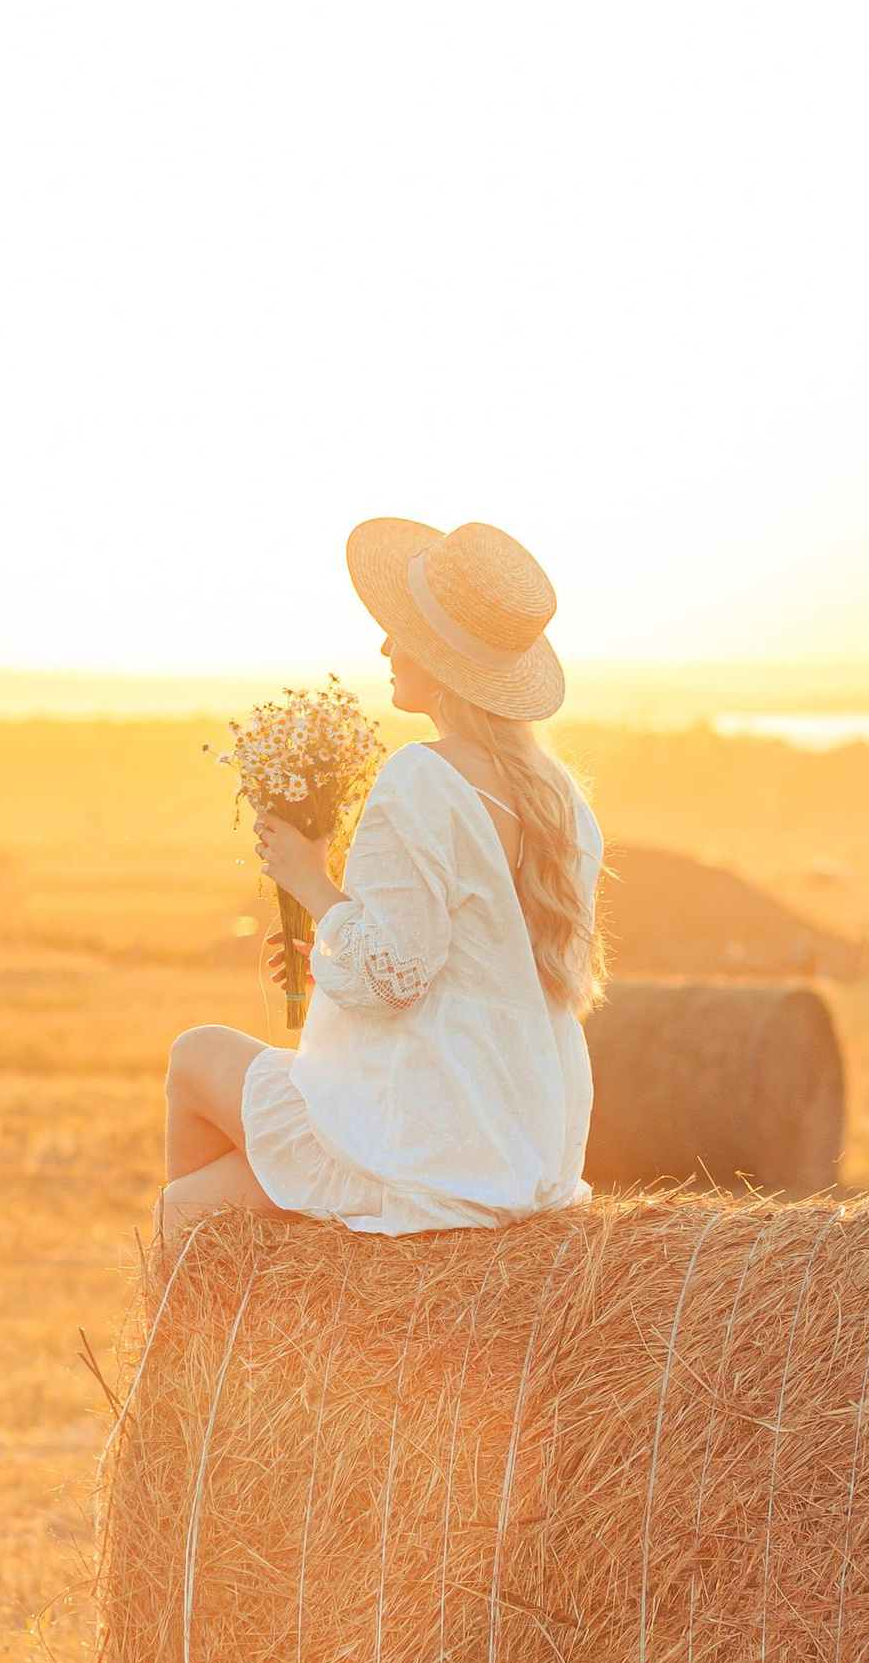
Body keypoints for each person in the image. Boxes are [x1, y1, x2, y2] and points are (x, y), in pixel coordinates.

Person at [159, 518, 604, 1254]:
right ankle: (235, 1322)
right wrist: (325, 950)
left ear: (439, 656)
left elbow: (392, 980)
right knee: (195, 1194)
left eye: (398, 631)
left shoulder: (423, 778)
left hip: (431, 1143)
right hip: (526, 1148)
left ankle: (210, 1339)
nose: (385, 646)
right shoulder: (563, 800)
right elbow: (462, 964)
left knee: (195, 1059)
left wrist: (310, 881)